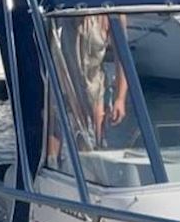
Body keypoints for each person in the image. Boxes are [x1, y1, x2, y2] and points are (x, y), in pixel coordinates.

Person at [46, 14, 130, 164]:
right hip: (63, 83)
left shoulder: (112, 14)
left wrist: (120, 98)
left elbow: (123, 58)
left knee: (91, 149)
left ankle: (91, 177)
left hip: (94, 88)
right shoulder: (61, 13)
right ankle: (49, 169)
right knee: (53, 137)